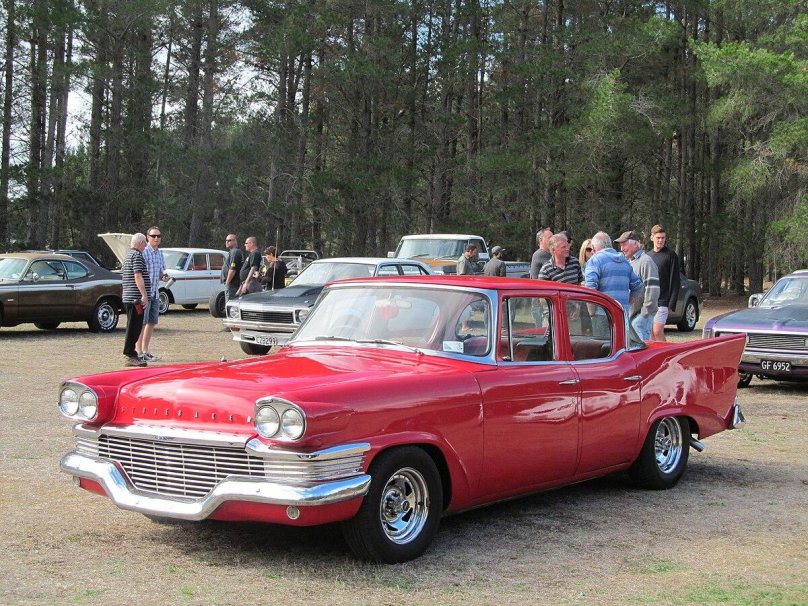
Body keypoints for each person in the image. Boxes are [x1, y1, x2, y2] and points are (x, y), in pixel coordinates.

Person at [584, 231, 644, 336]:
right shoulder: (624, 261)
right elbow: (638, 287)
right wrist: (627, 303)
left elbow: (590, 289)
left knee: (603, 345)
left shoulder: (594, 261)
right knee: (621, 345)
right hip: (622, 313)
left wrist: (592, 313)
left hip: (602, 314)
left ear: (593, 248)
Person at [615, 230, 660, 341]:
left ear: (635, 244)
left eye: (624, 244)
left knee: (641, 348)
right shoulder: (628, 262)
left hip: (641, 316)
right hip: (632, 315)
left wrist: (643, 314)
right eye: (621, 245)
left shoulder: (646, 261)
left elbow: (653, 291)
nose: (622, 248)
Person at [136, 227, 168, 362]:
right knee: (142, 323)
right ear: (147, 237)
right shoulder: (144, 252)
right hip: (145, 294)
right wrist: (142, 294)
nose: (156, 238)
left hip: (155, 292)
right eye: (153, 236)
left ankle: (146, 350)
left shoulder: (160, 253)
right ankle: (138, 351)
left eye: (158, 236)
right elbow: (138, 274)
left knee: (151, 322)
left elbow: (160, 272)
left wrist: (164, 277)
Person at [647, 224, 681, 342]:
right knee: (650, 333)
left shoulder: (671, 255)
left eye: (663, 238)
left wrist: (671, 303)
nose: (661, 240)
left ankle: (666, 352)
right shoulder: (647, 256)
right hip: (649, 301)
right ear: (652, 237)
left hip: (663, 301)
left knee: (657, 331)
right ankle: (655, 354)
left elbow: (675, 281)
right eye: (658, 238)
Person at [121, 233, 150, 367]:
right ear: (140, 243)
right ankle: (130, 354)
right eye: (145, 243)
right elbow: (138, 276)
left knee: (133, 326)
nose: (145, 246)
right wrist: (144, 295)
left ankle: (131, 354)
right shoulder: (137, 256)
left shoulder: (128, 255)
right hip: (135, 299)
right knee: (134, 327)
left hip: (129, 297)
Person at [222, 234, 244, 302]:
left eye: (229, 240)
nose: (227, 242)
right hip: (233, 284)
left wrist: (227, 282)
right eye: (226, 240)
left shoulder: (235, 252)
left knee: (230, 303)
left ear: (235, 241)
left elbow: (232, 269)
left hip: (233, 284)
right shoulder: (233, 252)